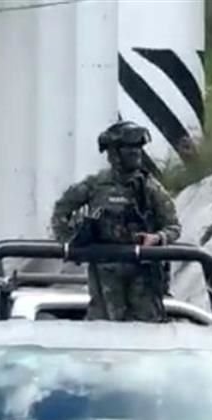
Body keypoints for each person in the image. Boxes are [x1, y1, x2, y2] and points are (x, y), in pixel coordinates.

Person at [49, 120, 181, 322]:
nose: (135, 153)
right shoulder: (95, 185)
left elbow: (173, 227)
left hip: (142, 273)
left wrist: (156, 238)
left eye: (137, 148)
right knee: (102, 326)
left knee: (146, 329)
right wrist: (71, 243)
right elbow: (61, 210)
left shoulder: (149, 188)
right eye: (129, 148)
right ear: (114, 154)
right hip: (104, 271)